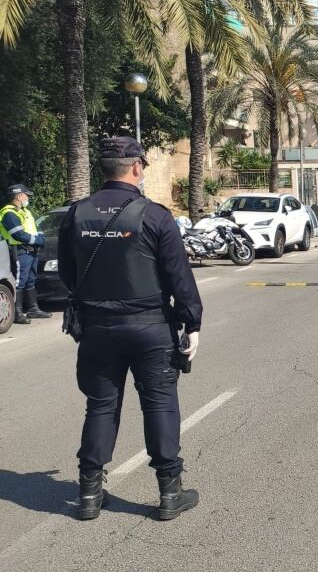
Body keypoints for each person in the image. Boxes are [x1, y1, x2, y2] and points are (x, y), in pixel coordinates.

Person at [57, 137, 202, 521]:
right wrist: (192, 322)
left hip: (97, 329)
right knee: (159, 404)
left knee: (100, 406)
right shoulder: (154, 216)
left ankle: (89, 494)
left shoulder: (75, 214)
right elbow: (179, 277)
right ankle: (169, 492)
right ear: (137, 167)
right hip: (149, 327)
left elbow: (68, 275)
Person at [1, 183, 49, 325]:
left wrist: (40, 238)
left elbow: (36, 228)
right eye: (26, 195)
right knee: (19, 281)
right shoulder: (8, 213)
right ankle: (17, 313)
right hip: (19, 251)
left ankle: (33, 309)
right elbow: (18, 235)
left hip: (31, 251)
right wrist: (37, 241)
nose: (27, 197)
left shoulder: (24, 211)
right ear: (19, 196)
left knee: (30, 280)